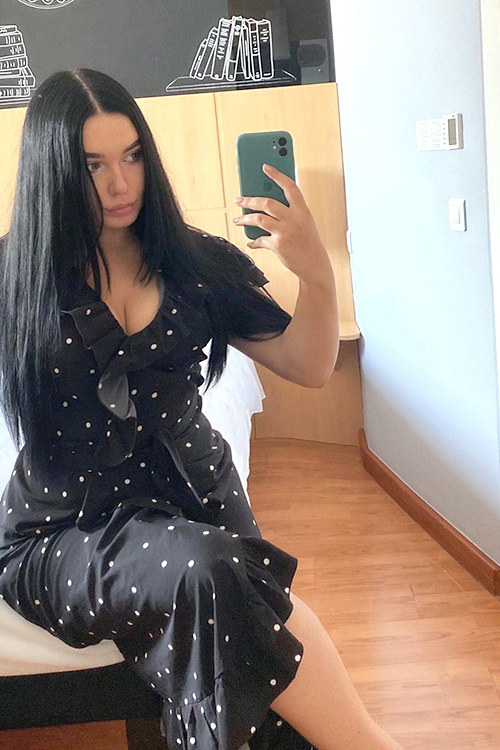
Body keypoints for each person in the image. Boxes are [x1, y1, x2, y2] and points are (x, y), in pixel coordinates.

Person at [0, 69, 404, 750]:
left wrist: (315, 271)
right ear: (52, 171)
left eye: (132, 156)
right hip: (63, 529)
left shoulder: (197, 264)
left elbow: (309, 365)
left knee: (218, 577)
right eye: (92, 165)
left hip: (200, 501)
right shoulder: (15, 278)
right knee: (207, 569)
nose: (120, 183)